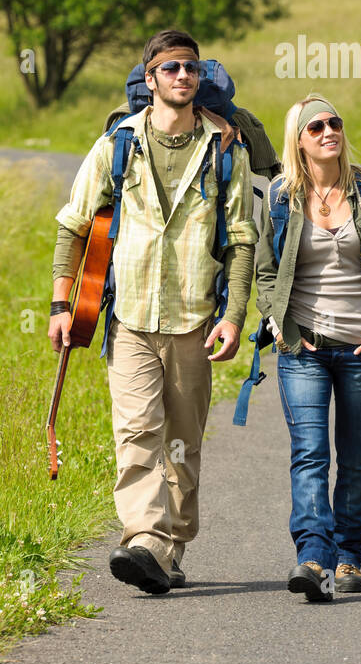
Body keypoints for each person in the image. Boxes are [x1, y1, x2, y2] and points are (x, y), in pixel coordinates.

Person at [48, 29, 258, 595]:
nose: (182, 77)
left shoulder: (223, 150)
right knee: (138, 432)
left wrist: (234, 315)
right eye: (171, 69)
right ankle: (144, 538)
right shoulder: (118, 144)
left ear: (200, 78)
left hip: (195, 317)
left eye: (191, 68)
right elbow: (74, 224)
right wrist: (60, 304)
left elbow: (241, 240)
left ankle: (172, 544)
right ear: (151, 79)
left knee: (183, 442)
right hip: (130, 317)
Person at [256, 94, 361, 602]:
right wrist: (277, 321)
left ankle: (349, 558)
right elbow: (263, 270)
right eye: (316, 126)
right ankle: (312, 556)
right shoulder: (281, 196)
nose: (329, 131)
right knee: (310, 454)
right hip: (303, 346)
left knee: (356, 456)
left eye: (335, 123)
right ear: (298, 140)